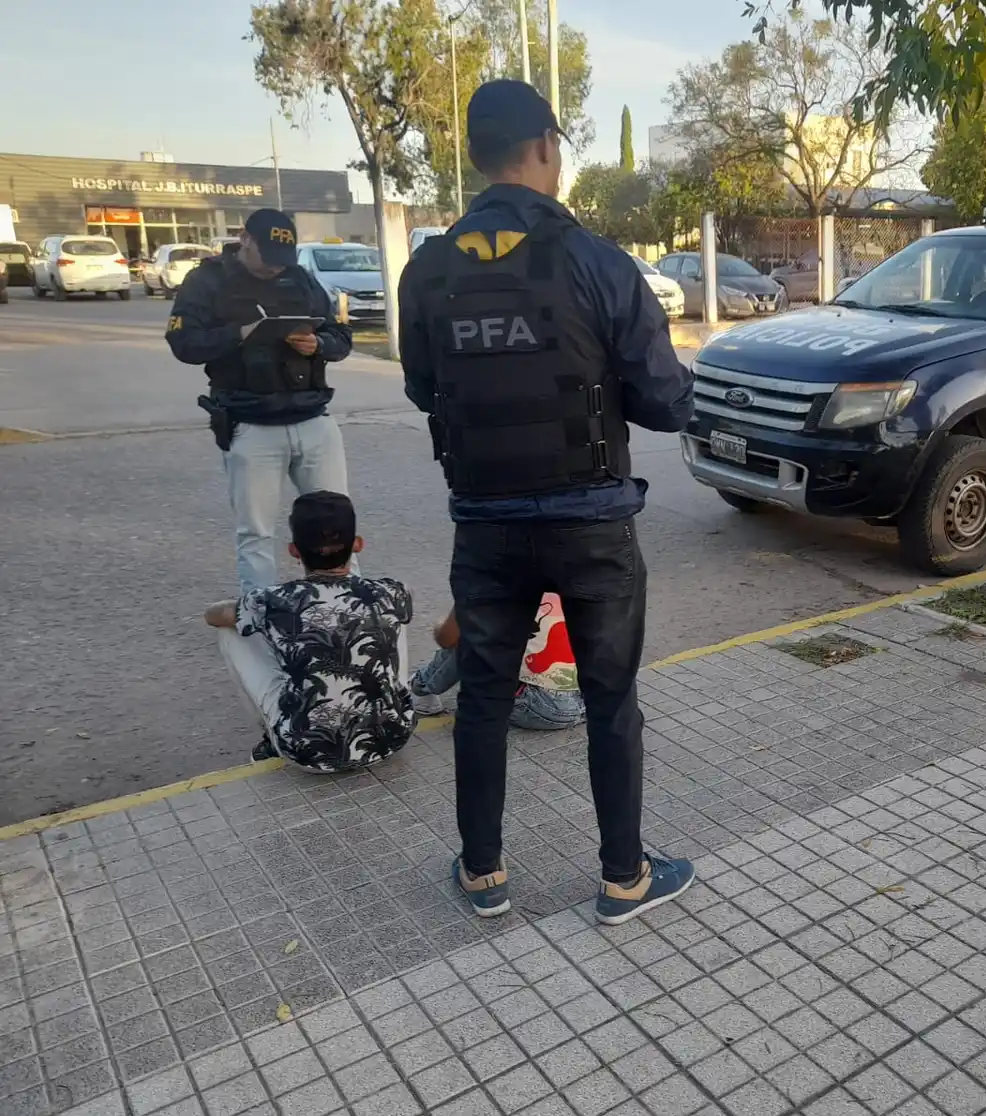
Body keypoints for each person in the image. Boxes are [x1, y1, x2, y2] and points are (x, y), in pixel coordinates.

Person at [400, 78, 695, 924]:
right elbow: (666, 401)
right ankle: (623, 877)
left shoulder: (427, 270)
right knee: (609, 697)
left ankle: (485, 874)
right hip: (593, 520)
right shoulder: (598, 262)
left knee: (485, 695)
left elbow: (426, 390)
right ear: (544, 146)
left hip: (486, 523)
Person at [166, 208, 354, 595]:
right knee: (256, 531)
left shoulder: (300, 278)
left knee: (337, 522)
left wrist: (319, 343)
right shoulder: (207, 281)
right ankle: (261, 618)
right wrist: (241, 334)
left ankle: (343, 610)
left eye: (281, 262)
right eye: (267, 259)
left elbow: (341, 337)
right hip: (249, 423)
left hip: (312, 418)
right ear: (244, 238)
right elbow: (183, 344)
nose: (274, 269)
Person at [204, 492, 416, 770]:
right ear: (357, 545)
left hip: (308, 755)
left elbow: (212, 616)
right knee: (387, 618)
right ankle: (384, 711)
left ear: (293, 550)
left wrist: (250, 612)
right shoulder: (390, 591)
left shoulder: (273, 600)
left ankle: (272, 735)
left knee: (231, 628)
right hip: (391, 740)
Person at [410, 595, 587, 729]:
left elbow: (447, 638)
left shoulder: (497, 574)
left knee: (470, 635)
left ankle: (422, 688)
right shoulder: (584, 572)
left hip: (539, 707)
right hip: (587, 702)